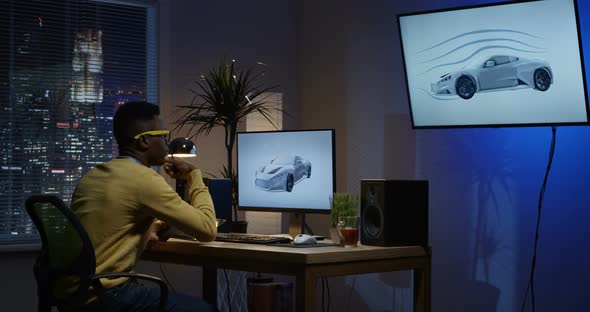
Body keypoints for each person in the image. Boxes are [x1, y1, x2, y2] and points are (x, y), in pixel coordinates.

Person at [61, 101, 217, 311]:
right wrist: (194, 175)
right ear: (144, 141)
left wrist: (150, 228)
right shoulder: (144, 179)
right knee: (204, 309)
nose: (166, 143)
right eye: (163, 136)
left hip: (73, 292)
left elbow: (108, 226)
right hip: (107, 293)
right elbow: (207, 229)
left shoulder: (94, 175)